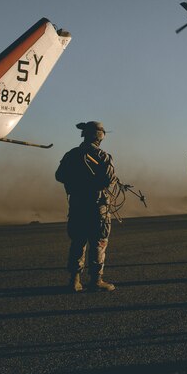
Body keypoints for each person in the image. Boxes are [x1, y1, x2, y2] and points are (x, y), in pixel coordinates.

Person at [55, 121, 116, 292]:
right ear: (100, 136)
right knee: (99, 242)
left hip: (77, 206)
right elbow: (109, 180)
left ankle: (74, 281)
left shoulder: (71, 155)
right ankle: (96, 280)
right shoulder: (103, 156)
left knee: (78, 241)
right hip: (98, 208)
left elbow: (59, 175)